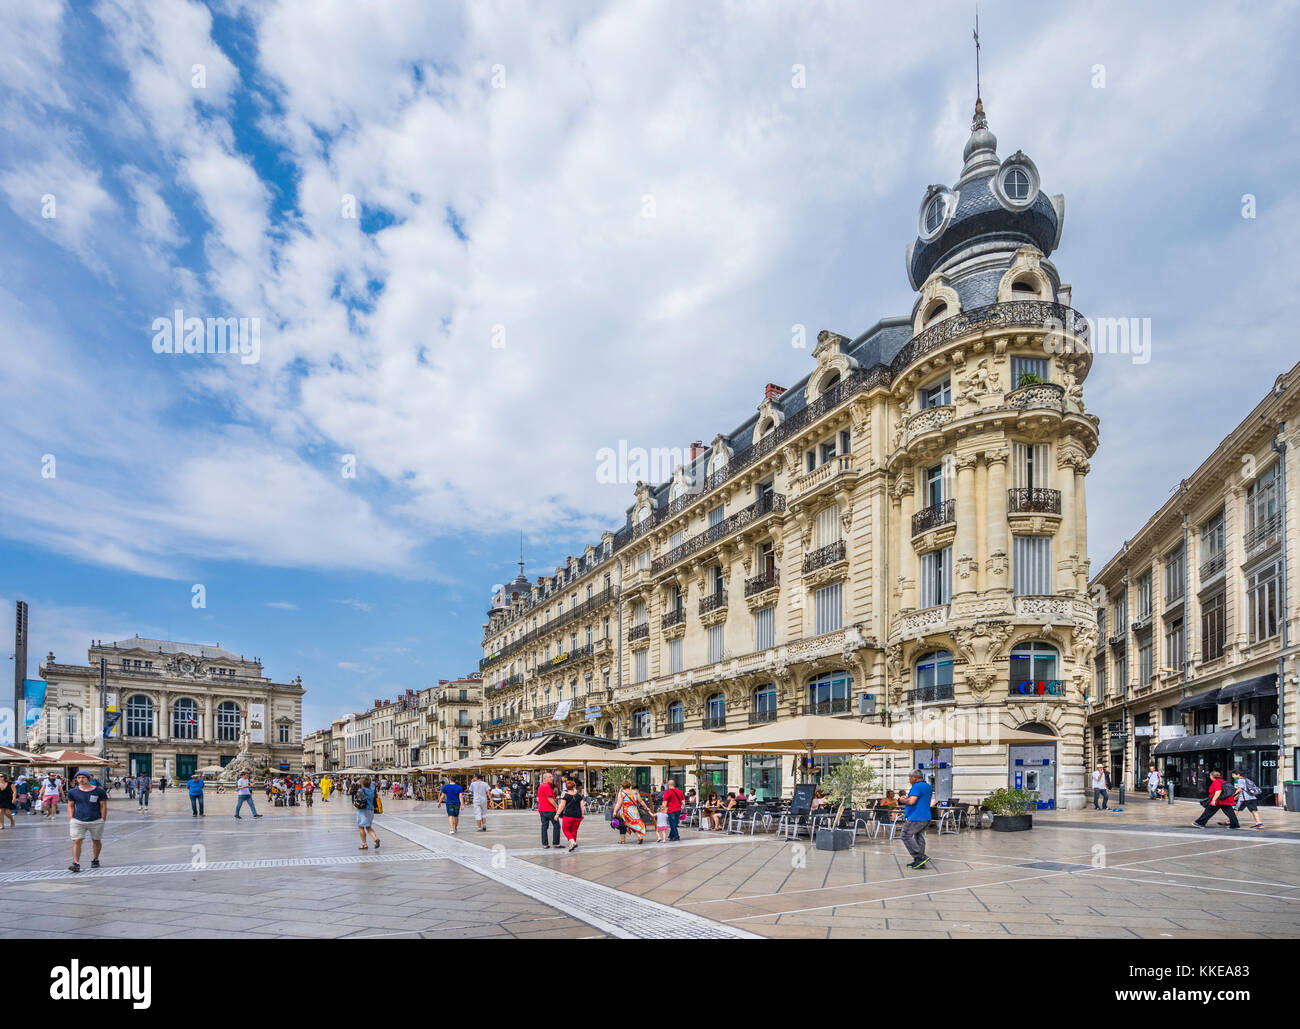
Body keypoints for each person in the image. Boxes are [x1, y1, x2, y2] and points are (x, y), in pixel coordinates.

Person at [66, 770, 108, 872]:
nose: (81, 779)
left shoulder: (99, 791)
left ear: (88, 778)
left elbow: (103, 805)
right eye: (79, 777)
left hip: (96, 819)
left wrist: (103, 818)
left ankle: (95, 859)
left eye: (83, 777)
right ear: (76, 779)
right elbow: (70, 805)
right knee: (77, 840)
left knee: (96, 840)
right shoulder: (72, 792)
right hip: (78, 820)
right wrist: (71, 818)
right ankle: (76, 863)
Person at [901, 769, 934, 870]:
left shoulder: (917, 786)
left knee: (905, 835)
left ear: (914, 777)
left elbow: (911, 801)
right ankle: (919, 862)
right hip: (926, 816)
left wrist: (902, 800)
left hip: (916, 816)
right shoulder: (927, 786)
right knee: (919, 837)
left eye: (910, 778)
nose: (909, 780)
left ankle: (920, 856)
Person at [614, 779, 648, 844]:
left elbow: (618, 803)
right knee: (633, 824)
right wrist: (646, 807)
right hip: (635, 811)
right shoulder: (635, 792)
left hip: (625, 812)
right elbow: (641, 801)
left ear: (622, 786)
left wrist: (615, 811)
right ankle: (639, 836)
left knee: (623, 825)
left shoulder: (622, 793)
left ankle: (623, 840)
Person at [354, 775, 381, 849]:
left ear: (362, 783)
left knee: (360, 827)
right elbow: (373, 783)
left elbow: (357, 799)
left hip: (363, 810)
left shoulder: (361, 790)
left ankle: (364, 844)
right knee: (368, 827)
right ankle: (375, 838)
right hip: (371, 810)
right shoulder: (372, 788)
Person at [558, 778, 585, 851]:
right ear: (574, 787)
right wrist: (582, 814)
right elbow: (582, 806)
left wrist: (557, 814)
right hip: (578, 815)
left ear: (566, 787)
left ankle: (572, 842)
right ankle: (572, 845)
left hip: (568, 815)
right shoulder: (579, 796)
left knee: (565, 829)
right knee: (574, 830)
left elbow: (562, 806)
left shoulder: (565, 796)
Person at [536, 772, 561, 848]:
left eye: (552, 777)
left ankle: (545, 844)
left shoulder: (540, 786)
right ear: (545, 778)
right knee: (557, 826)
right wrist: (556, 806)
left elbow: (538, 798)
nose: (552, 778)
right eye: (550, 777)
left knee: (544, 827)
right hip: (549, 810)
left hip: (541, 809)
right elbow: (550, 798)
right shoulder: (547, 786)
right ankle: (556, 843)